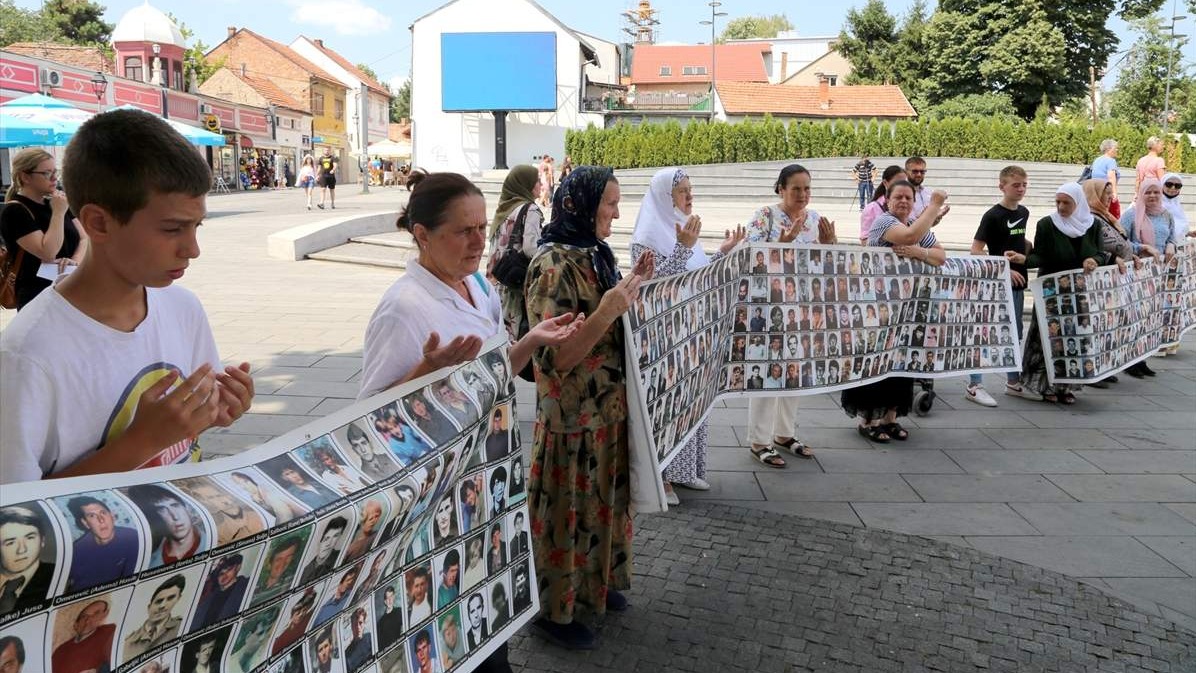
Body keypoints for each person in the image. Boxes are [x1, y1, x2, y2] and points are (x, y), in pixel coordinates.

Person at [0, 109, 254, 484]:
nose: (192, 249)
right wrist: (141, 442)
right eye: (172, 229)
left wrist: (217, 410)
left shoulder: (183, 308)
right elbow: (18, 517)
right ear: (99, 223)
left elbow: (186, 431)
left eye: (195, 226)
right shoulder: (28, 358)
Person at [524, 166, 654, 650]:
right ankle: (553, 611)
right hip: (571, 417)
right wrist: (608, 310)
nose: (616, 214)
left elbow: (611, 325)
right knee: (566, 513)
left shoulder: (595, 254)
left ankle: (593, 587)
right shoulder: (554, 264)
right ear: (582, 204)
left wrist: (634, 289)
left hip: (605, 408)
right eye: (610, 204)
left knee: (601, 507)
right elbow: (555, 359)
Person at [359, 173, 579, 403]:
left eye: (482, 228)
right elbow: (369, 410)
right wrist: (429, 368)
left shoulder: (479, 285)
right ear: (423, 235)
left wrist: (531, 340)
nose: (479, 241)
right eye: (464, 231)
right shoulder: (402, 309)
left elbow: (497, 374)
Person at [629, 167, 744, 503]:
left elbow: (700, 276)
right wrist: (681, 248)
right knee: (668, 408)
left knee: (693, 401)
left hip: (694, 334)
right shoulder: (648, 236)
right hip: (665, 339)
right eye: (682, 191)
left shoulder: (684, 231)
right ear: (666, 197)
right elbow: (651, 288)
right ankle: (662, 478)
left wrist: (722, 252)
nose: (689, 197)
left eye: (691, 190)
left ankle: (685, 472)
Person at [741, 164, 837, 467]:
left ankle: (784, 433)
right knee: (767, 371)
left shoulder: (814, 219)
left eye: (807, 188)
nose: (803, 194)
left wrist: (828, 245)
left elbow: (823, 264)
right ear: (781, 188)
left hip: (802, 309)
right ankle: (759, 440)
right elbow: (748, 256)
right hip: (769, 309)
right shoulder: (765, 216)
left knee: (794, 369)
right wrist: (781, 243)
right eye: (796, 188)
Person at [845, 181, 948, 442]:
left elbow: (940, 256)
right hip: (878, 306)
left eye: (908, 198)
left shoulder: (914, 223)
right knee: (876, 361)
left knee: (900, 360)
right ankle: (869, 421)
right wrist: (934, 206)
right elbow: (908, 237)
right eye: (898, 197)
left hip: (906, 308)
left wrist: (919, 252)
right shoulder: (883, 222)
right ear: (888, 200)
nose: (903, 201)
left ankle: (891, 419)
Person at [1006, 183, 1102, 404]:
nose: (1060, 207)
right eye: (1057, 202)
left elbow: (1101, 253)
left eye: (1066, 202)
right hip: (1052, 291)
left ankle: (1066, 386)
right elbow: (1042, 256)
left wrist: (1093, 260)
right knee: (1047, 339)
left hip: (1078, 292)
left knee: (1073, 339)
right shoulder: (1047, 224)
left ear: (1078, 203)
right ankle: (1043, 385)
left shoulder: (1092, 225)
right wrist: (1025, 260)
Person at [965, 166, 1031, 407]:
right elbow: (975, 250)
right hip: (995, 284)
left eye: (1024, 184)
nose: (1021, 189)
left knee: (1014, 334)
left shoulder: (1024, 211)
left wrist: (1027, 249)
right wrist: (1004, 268)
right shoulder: (992, 215)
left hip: (1018, 283)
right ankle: (974, 384)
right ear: (1001, 186)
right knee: (986, 333)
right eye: (1016, 185)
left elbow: (1017, 238)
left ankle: (1013, 382)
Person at [0, 148, 85, 309]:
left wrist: (74, 261)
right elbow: (47, 252)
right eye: (46, 173)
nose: (54, 178)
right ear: (25, 176)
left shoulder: (56, 202)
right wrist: (58, 214)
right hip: (37, 293)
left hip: (71, 286)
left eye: (55, 172)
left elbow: (84, 238)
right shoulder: (16, 211)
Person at [486, 165, 544, 344]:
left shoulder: (504, 209)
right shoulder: (530, 209)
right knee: (514, 341)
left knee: (496, 338)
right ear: (526, 184)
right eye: (537, 181)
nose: (541, 184)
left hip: (495, 283)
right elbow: (530, 248)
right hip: (514, 286)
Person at [64, 495, 140, 591]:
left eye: (103, 513)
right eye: (92, 516)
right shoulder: (77, 550)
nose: (101, 520)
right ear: (86, 523)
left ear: (112, 516)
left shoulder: (132, 538)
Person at [127, 483, 208, 567]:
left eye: (175, 505)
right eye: (162, 510)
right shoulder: (150, 563)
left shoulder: (211, 541)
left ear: (186, 508)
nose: (175, 516)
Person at [175, 477, 266, 545]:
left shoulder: (257, 513)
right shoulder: (218, 530)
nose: (220, 500)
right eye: (211, 498)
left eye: (218, 495)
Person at [0, 505, 55, 615]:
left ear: (42, 540)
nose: (22, 550)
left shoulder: (58, 576)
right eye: (10, 542)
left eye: (30, 537)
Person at [122, 574, 186, 661]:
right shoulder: (129, 642)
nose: (163, 606)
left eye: (170, 598)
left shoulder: (181, 626)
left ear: (178, 599)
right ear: (149, 607)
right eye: (158, 601)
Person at [52, 598, 115, 673]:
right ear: (76, 625)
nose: (88, 620)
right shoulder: (60, 650)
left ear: (104, 615)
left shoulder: (109, 631)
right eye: (84, 616)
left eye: (96, 613)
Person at [192, 553, 249, 630]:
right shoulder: (209, 597)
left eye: (229, 569)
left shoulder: (245, 586)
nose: (224, 575)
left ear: (238, 567)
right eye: (221, 573)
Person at [230, 470, 304, 523]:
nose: (238, 487)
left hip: (301, 517)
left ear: (246, 480)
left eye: (237, 483)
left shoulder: (267, 492)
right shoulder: (255, 497)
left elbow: (285, 514)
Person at [859, 165, 906, 243]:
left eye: (904, 183)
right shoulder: (872, 208)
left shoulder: (908, 205)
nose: (902, 187)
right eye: (897, 183)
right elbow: (864, 241)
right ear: (885, 183)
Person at [254, 533, 305, 605]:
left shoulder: (290, 582)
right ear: (270, 562)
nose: (282, 563)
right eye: (279, 559)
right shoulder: (256, 588)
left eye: (288, 558)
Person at [300, 516, 348, 584]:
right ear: (320, 541)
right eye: (326, 538)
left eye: (335, 536)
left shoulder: (340, 557)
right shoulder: (305, 570)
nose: (328, 543)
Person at [271, 588, 317, 656]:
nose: (301, 615)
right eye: (298, 613)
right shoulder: (282, 637)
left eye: (304, 611)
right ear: (292, 615)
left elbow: (313, 599)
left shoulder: (307, 618)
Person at [344, 497, 385, 561]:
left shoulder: (377, 536)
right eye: (368, 514)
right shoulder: (347, 539)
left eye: (376, 516)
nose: (372, 520)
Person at [1091, 139, 1122, 218]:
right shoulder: (1111, 161)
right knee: (1114, 215)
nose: (1117, 150)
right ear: (1109, 149)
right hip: (1107, 192)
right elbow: (1111, 177)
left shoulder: (1097, 160)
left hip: (1096, 192)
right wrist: (1114, 193)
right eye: (1115, 148)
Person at [343, 607, 372, 672]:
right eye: (355, 624)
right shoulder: (347, 654)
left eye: (360, 623)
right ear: (352, 626)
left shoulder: (370, 638)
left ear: (364, 623)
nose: (358, 627)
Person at [376, 584, 404, 649]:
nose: (389, 600)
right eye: (387, 598)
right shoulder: (381, 621)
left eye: (391, 596)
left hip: (398, 648)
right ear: (385, 601)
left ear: (394, 597)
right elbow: (380, 643)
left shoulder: (399, 611)